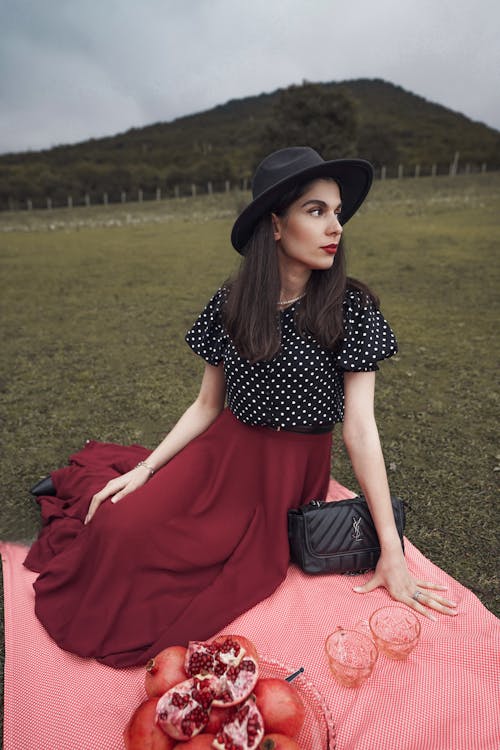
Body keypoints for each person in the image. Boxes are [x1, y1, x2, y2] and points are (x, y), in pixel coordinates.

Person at [25, 146, 458, 668]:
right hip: (222, 454)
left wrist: (392, 548)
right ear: (276, 225)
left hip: (284, 480)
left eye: (337, 213)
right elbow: (207, 405)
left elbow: (360, 429)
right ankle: (99, 478)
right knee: (116, 530)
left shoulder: (352, 307)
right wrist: (144, 469)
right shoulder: (232, 301)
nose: (336, 227)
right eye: (316, 211)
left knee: (200, 576)